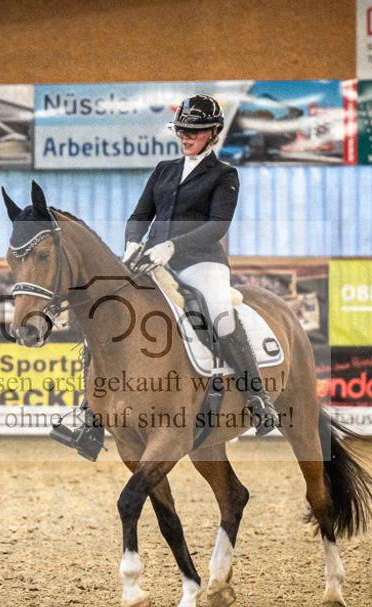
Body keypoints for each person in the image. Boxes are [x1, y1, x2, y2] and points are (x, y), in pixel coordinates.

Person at [123, 93, 277, 435]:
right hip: (152, 259)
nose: (186, 137)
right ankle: (87, 413)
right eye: (181, 131)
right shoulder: (164, 170)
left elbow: (217, 227)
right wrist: (133, 243)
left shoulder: (224, 175)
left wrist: (173, 246)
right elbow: (140, 215)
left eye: (195, 131)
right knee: (114, 304)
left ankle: (257, 397)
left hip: (201, 261)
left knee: (220, 313)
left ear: (214, 132)